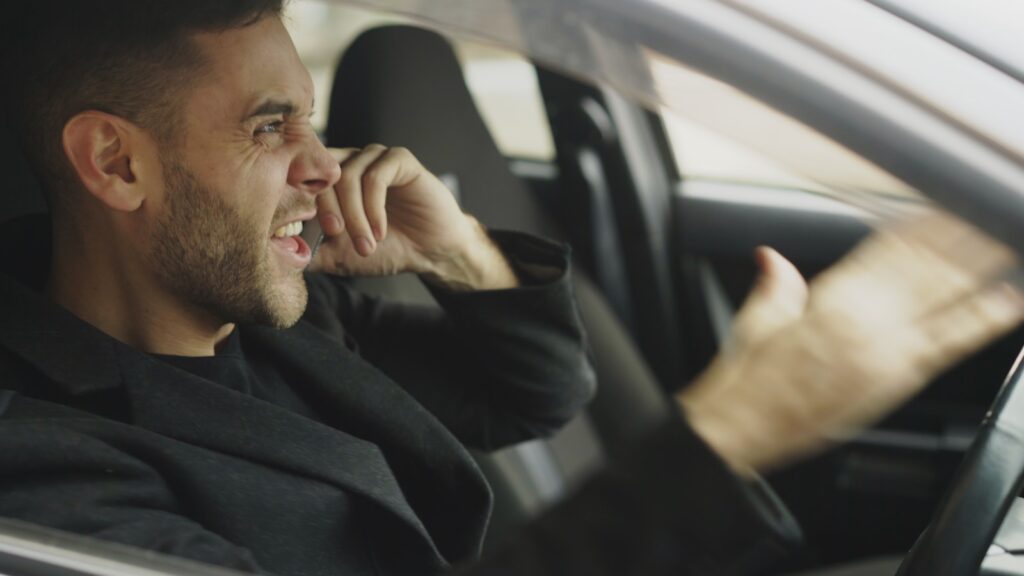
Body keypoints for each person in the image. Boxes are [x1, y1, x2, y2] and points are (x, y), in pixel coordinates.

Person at [0, 2, 1020, 576]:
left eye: (310, 120)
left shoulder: (275, 319)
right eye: (270, 127)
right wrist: (740, 427)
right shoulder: (48, 477)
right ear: (116, 164)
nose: (320, 164)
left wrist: (461, 254)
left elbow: (535, 395)